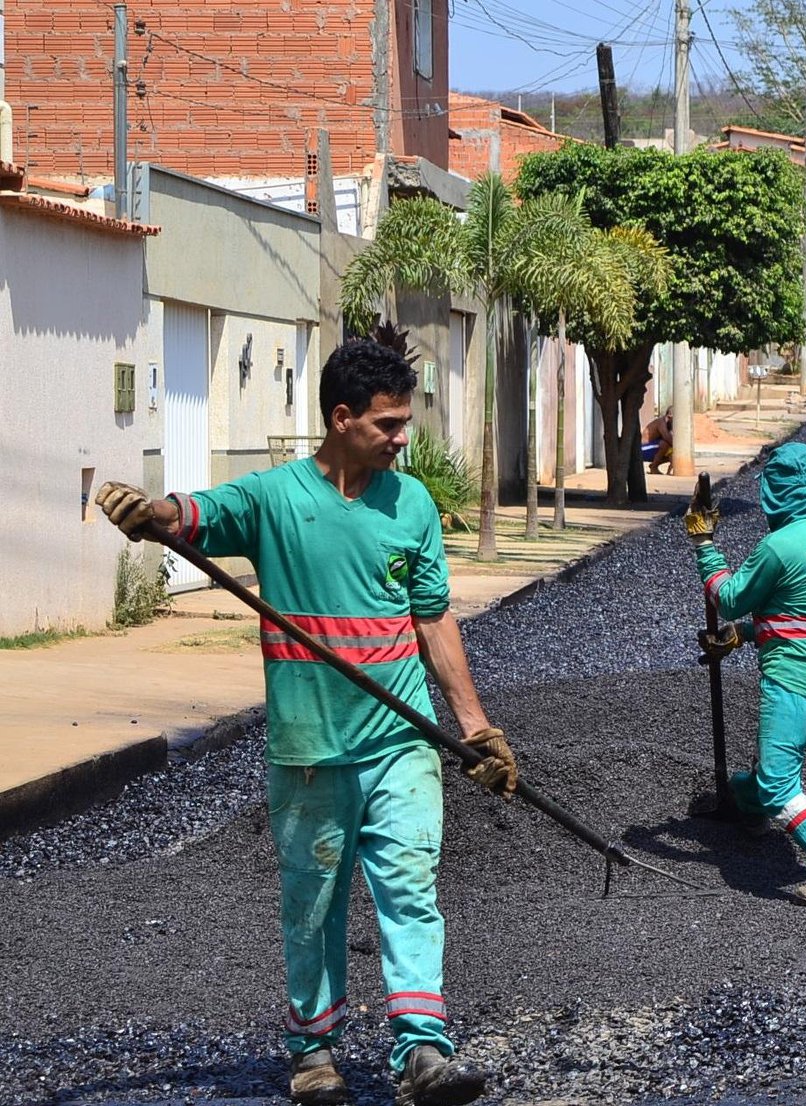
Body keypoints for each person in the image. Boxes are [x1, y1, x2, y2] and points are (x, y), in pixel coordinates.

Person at [93, 338, 510, 1106]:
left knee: (410, 891)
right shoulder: (275, 499)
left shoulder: (411, 504)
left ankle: (423, 1054)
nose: (401, 437)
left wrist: (475, 727)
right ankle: (314, 1058)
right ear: (341, 417)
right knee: (312, 905)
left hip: (402, 740)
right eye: (387, 423)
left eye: (403, 422)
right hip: (311, 750)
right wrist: (147, 513)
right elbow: (197, 516)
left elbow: (434, 619)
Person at [684, 442, 806, 906]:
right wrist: (745, 635)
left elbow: (727, 598)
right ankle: (747, 808)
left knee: (777, 782)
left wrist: (704, 544)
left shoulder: (778, 546)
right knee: (767, 772)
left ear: (776, 491)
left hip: (796, 676)